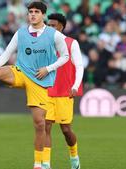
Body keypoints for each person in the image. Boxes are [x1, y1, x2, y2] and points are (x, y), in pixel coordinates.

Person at [0, 2, 69, 169]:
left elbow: (65, 56)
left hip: (41, 79)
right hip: (21, 71)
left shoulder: (54, 35)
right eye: (30, 11)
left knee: (40, 124)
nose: (33, 14)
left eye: (37, 12)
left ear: (43, 15)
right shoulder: (21, 33)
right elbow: (7, 53)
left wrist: (48, 69)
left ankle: (38, 164)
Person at [43, 13, 83, 169]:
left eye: (53, 25)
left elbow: (79, 66)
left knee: (66, 130)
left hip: (65, 92)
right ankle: (45, 164)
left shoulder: (71, 43)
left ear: (61, 26)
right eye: (49, 25)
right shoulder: (44, 44)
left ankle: (74, 158)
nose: (50, 28)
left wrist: (75, 85)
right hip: (47, 91)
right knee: (45, 126)